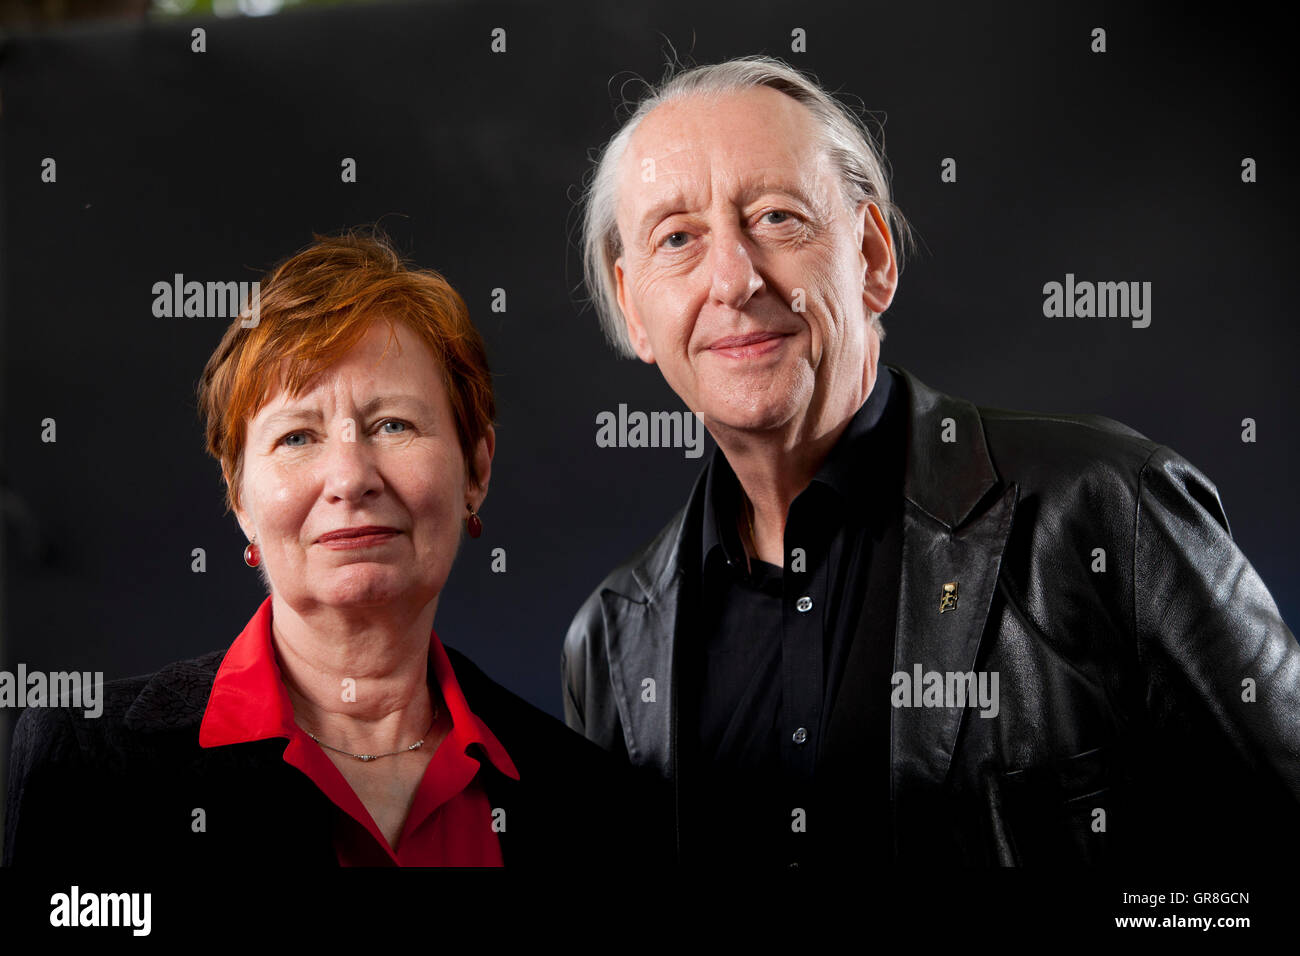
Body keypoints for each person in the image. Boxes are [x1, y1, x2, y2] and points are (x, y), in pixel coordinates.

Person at [562, 55, 1300, 867]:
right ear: (633, 307)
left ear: (873, 257)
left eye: (777, 218)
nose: (732, 278)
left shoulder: (1107, 512)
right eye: (678, 238)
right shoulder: (608, 641)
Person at [4, 230, 651, 867]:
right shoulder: (86, 764)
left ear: (476, 470)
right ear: (239, 499)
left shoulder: (593, 800)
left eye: (392, 424)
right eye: (296, 438)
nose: (349, 478)